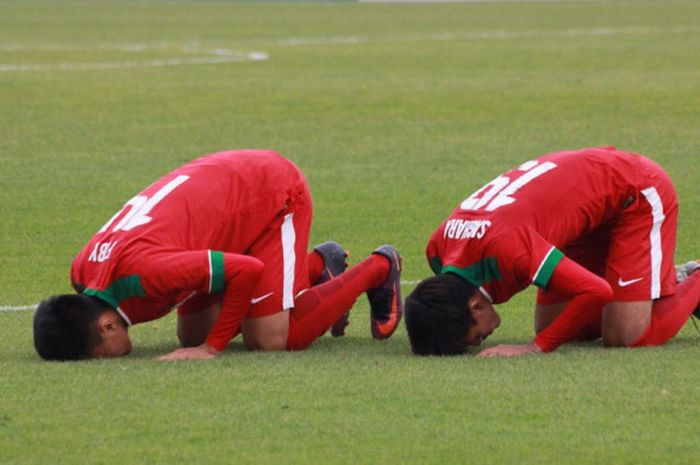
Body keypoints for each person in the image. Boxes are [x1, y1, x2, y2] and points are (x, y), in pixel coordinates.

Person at [33, 150, 403, 361]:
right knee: (192, 333)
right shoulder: (83, 272)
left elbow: (246, 270)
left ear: (106, 326)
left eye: (98, 358)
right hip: (226, 200)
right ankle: (317, 267)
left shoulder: (147, 274)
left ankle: (379, 267)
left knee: (269, 339)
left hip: (272, 192)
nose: (109, 361)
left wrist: (212, 349)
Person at [404, 146, 700, 357]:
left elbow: (596, 291)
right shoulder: (438, 251)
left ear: (476, 306)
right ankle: (654, 292)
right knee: (558, 327)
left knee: (625, 337)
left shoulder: (508, 249)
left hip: (635, 193)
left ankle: (695, 277)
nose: (481, 342)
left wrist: (536, 348)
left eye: (475, 338)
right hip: (585, 216)